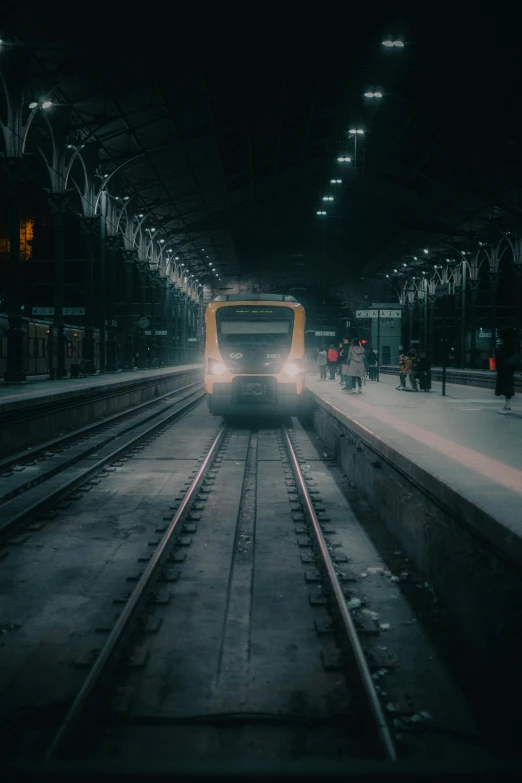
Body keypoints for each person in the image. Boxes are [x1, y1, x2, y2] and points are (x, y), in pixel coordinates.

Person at [495, 329, 521, 414]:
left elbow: (501, 355)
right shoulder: (514, 344)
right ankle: (507, 405)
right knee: (508, 384)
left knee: (507, 385)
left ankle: (507, 406)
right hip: (509, 367)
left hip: (505, 367)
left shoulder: (506, 345)